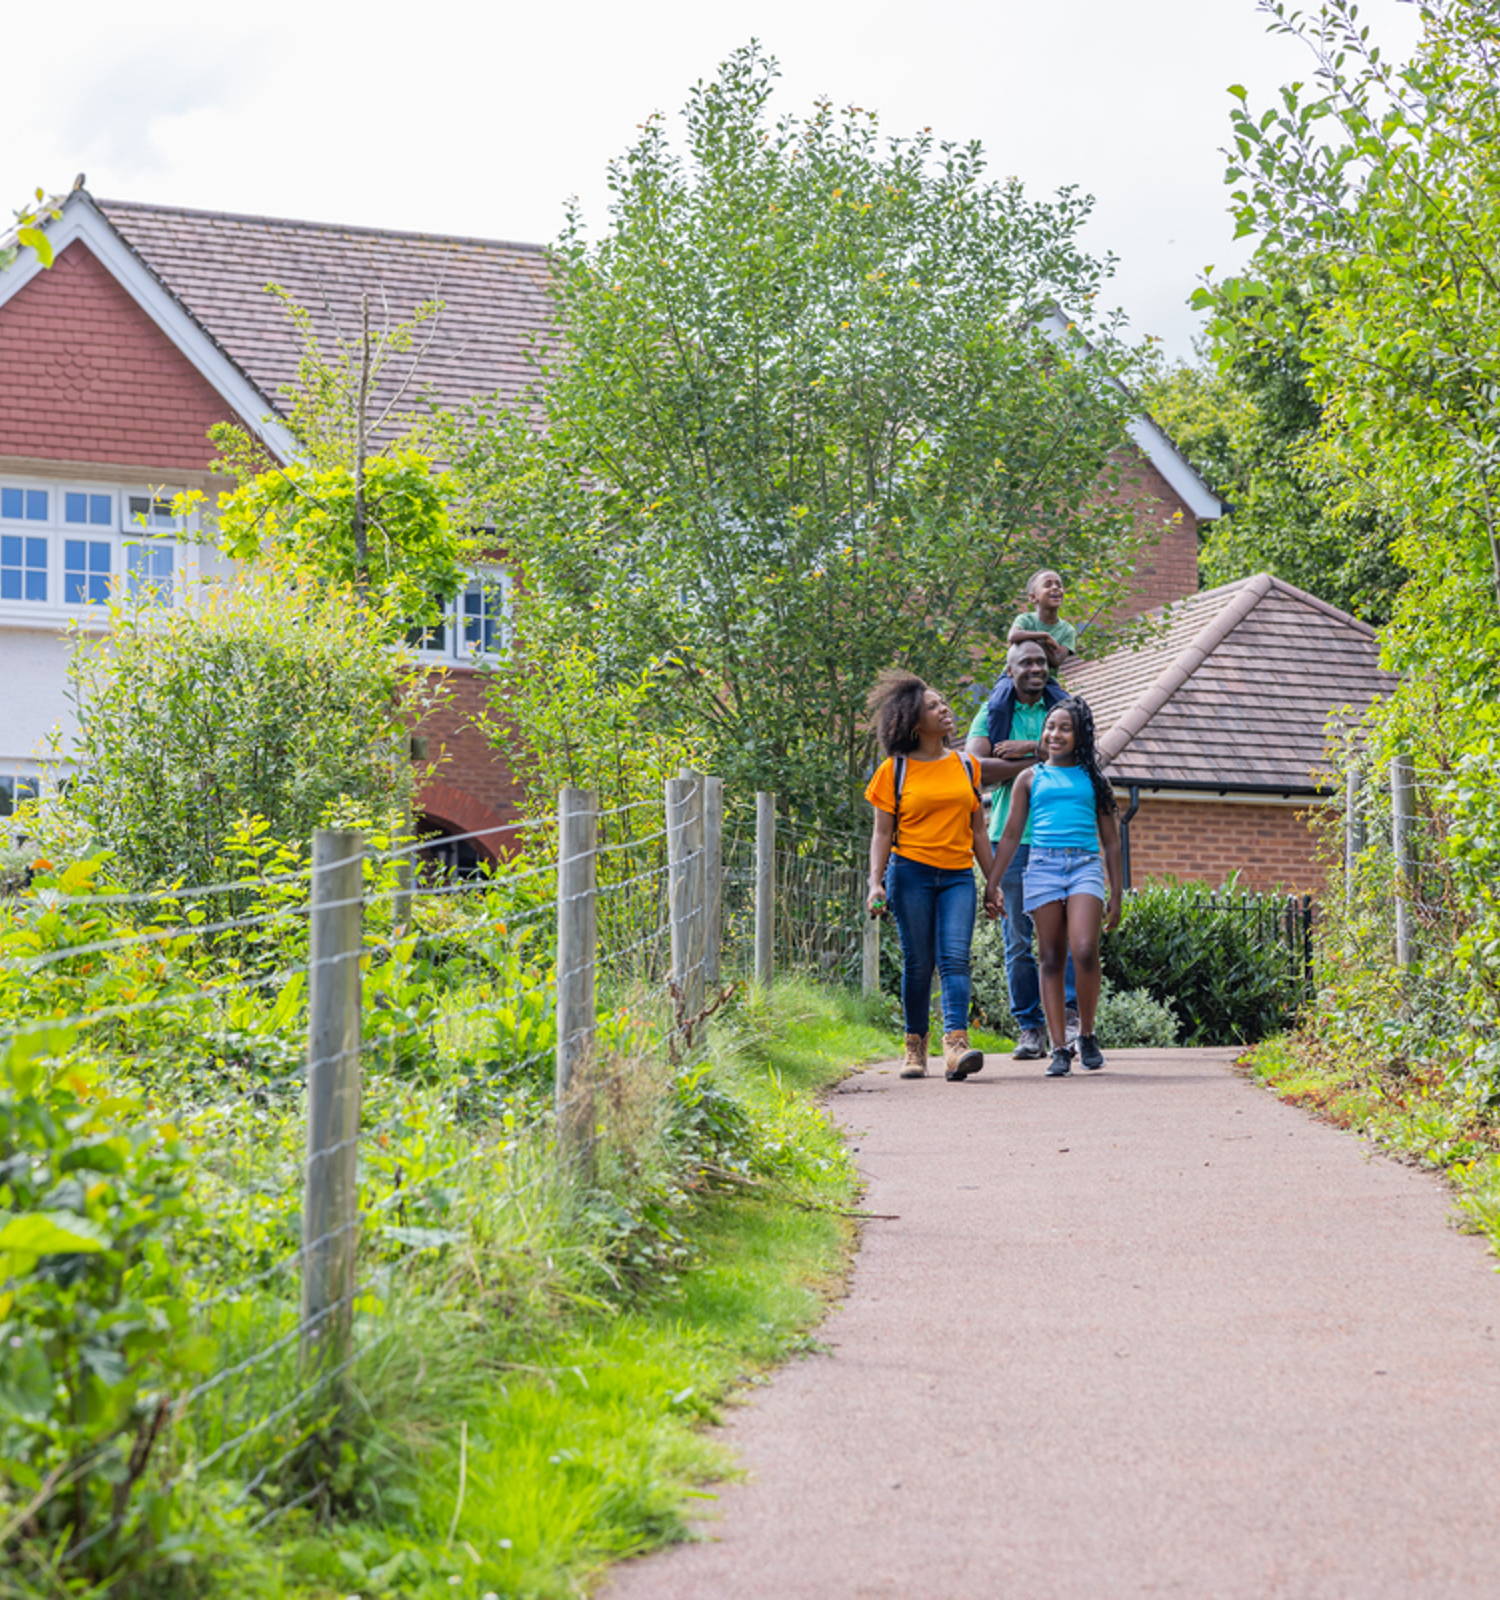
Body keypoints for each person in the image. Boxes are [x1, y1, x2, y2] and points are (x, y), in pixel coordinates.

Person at [865, 671, 996, 1082]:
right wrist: (875, 882)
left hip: (958, 875)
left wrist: (992, 883)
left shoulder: (966, 765)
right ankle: (914, 1046)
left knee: (955, 959)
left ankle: (956, 1047)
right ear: (914, 722)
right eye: (933, 706)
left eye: (943, 702)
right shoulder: (894, 771)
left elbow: (978, 831)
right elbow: (882, 833)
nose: (945, 709)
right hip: (910, 875)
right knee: (919, 964)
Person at [984, 696, 1122, 1078]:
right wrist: (992, 882)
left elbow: (1111, 840)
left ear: (1080, 735)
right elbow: (1011, 834)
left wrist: (1117, 894)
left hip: (1084, 865)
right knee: (1048, 955)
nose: (1054, 734)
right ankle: (1059, 1047)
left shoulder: (1095, 780)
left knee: (1084, 950)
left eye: (1064, 728)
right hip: (1042, 865)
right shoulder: (1030, 778)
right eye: (1050, 727)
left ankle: (1088, 1035)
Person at [966, 640, 1078, 1061]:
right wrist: (1046, 757)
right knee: (1017, 940)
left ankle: (1067, 1019)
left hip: (1059, 836)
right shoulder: (994, 713)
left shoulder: (1063, 708)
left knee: (1062, 937)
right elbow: (977, 769)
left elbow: (1083, 756)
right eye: (1025, 663)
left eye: (1041, 661)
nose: (1036, 668)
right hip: (1008, 840)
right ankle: (1030, 1028)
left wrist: (1027, 749)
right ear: (1009, 671)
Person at [1007, 569, 1078, 680]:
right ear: (1033, 597)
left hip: (1047, 682)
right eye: (1047, 585)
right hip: (1014, 679)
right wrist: (1044, 636)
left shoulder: (1067, 630)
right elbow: (1013, 636)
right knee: (1000, 696)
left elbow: (1056, 661)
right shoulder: (1025, 619)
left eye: (1059, 585)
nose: (1055, 588)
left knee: (1066, 698)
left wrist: (1034, 641)